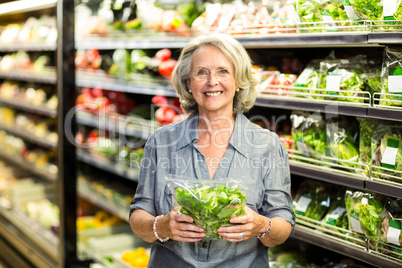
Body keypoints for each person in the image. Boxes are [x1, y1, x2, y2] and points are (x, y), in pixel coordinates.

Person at [129, 33, 295, 267]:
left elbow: (283, 224)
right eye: (201, 72)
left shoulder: (267, 146)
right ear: (188, 82)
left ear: (239, 81)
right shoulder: (161, 142)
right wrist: (163, 226)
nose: (212, 81)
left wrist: (260, 225)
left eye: (223, 71)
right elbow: (138, 215)